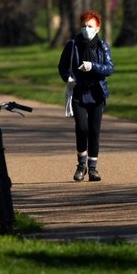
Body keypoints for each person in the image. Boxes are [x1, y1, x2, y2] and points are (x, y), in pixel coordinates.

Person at [57, 10, 114, 182]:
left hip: (97, 94)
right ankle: (81, 165)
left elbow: (109, 68)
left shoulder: (103, 47)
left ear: (97, 28)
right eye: (83, 26)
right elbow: (62, 66)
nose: (86, 29)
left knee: (94, 131)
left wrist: (93, 66)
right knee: (82, 128)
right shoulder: (72, 45)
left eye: (90, 26)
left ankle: (93, 168)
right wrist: (67, 77)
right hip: (79, 93)